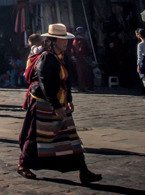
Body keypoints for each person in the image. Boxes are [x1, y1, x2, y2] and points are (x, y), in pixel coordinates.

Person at [16, 23, 101, 184]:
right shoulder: (46, 58)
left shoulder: (63, 57)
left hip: (60, 101)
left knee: (71, 137)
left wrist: (69, 100)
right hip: (43, 102)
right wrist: (55, 105)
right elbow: (45, 83)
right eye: (62, 40)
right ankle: (23, 164)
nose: (65, 42)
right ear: (53, 41)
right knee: (36, 136)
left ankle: (83, 171)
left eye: (66, 39)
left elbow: (66, 80)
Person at [70, 27, 95, 93]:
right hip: (83, 59)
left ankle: (82, 87)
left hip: (78, 59)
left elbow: (72, 51)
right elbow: (82, 50)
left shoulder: (74, 41)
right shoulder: (83, 41)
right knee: (86, 73)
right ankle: (87, 87)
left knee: (80, 74)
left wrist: (74, 56)